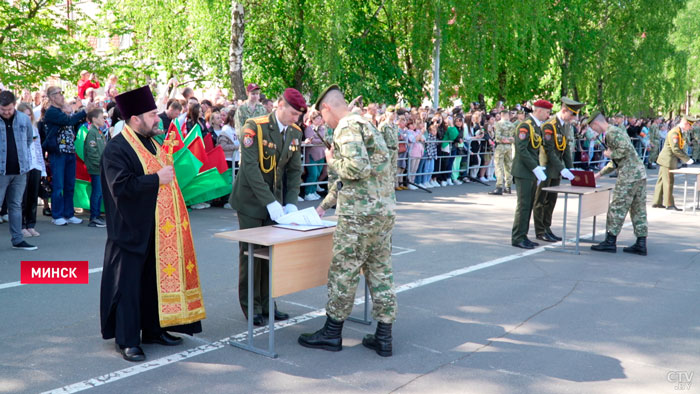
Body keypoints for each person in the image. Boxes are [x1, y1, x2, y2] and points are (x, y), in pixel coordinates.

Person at [100, 86, 205, 362]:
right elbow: (119, 187)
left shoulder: (152, 142)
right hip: (129, 230)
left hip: (158, 228)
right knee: (129, 286)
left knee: (152, 282)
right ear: (134, 119)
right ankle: (127, 340)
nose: (157, 118)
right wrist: (156, 179)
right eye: (150, 114)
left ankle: (154, 330)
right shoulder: (117, 148)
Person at [298, 85, 397, 357]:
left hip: (358, 216)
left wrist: (332, 161)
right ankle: (384, 336)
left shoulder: (346, 126)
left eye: (322, 115)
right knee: (381, 272)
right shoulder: (366, 124)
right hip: (382, 212)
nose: (324, 122)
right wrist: (325, 205)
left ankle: (332, 333)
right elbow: (368, 172)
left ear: (327, 108)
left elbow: (355, 168)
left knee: (344, 271)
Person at [228, 88, 306, 326]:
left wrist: (291, 202)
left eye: (298, 115)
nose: (296, 119)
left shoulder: (295, 133)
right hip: (252, 201)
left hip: (277, 204)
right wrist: (270, 202)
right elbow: (250, 168)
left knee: (270, 255)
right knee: (251, 255)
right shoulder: (255, 126)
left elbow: (293, 172)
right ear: (279, 105)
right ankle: (251, 306)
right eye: (292, 113)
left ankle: (267, 303)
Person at [585, 111, 648, 255]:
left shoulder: (610, 133)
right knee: (638, 209)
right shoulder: (618, 131)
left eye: (593, 127)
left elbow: (623, 151)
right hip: (639, 174)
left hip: (628, 175)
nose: (594, 131)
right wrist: (600, 174)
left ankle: (610, 241)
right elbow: (617, 161)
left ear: (596, 123)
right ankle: (641, 242)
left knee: (617, 207)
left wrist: (609, 154)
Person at [533, 97, 584, 242]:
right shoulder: (550, 125)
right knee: (541, 200)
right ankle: (540, 230)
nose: (574, 118)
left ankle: (547, 227)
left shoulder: (565, 125)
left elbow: (566, 148)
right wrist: (562, 169)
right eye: (572, 114)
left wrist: (570, 168)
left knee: (552, 200)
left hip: (557, 168)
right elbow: (549, 151)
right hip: (547, 167)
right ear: (564, 111)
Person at [43, 86, 92, 226]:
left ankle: (69, 213)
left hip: (69, 151)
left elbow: (72, 122)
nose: (62, 96)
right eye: (59, 93)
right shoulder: (52, 112)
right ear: (52, 97)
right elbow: (68, 121)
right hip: (58, 152)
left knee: (70, 184)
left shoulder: (62, 110)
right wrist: (84, 111)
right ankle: (57, 215)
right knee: (58, 185)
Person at [511, 99, 552, 249]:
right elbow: (522, 150)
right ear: (539, 110)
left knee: (528, 205)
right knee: (524, 205)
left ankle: (523, 235)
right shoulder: (525, 126)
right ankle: (517, 237)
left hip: (531, 171)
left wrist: (538, 168)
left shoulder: (536, 126)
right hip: (524, 171)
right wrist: (535, 168)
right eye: (547, 112)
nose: (548, 115)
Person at [0, 92, 37, 250]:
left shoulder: (23, 119)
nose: (6, 112)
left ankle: (17, 239)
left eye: (8, 109)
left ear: (14, 105)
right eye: (2, 109)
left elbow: (29, 139)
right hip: (1, 172)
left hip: (20, 170)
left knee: (15, 205)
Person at [652, 115, 696, 210]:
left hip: (667, 159)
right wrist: (687, 159)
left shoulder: (680, 132)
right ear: (685, 124)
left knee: (661, 181)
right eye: (690, 125)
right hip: (668, 160)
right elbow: (675, 149)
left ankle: (657, 202)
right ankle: (669, 204)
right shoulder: (675, 133)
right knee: (668, 182)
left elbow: (679, 147)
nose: (691, 128)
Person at [16, 103, 45, 238]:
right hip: (23, 166)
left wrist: (42, 167)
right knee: (23, 197)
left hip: (35, 165)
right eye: (25, 115)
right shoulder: (17, 128)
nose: (28, 117)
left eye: (29, 115)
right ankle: (21, 226)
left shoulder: (34, 128)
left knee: (33, 197)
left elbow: (38, 148)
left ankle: (30, 224)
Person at [84, 109, 107, 227]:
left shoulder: (99, 132)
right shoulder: (92, 133)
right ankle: (94, 217)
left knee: (100, 192)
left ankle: (97, 215)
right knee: (97, 192)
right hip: (96, 168)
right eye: (102, 117)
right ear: (94, 119)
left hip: (101, 168)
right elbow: (92, 152)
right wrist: (100, 164)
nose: (104, 119)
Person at [489, 109, 515, 195]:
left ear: (501, 115)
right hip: (509, 147)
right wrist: (509, 140)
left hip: (500, 146)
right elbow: (513, 138)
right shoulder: (512, 125)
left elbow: (498, 137)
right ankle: (508, 186)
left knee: (499, 166)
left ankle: (499, 186)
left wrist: (505, 140)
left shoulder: (498, 124)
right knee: (508, 166)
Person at [302, 110, 327, 201]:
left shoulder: (323, 128)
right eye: (317, 118)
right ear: (312, 119)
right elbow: (310, 139)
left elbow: (325, 138)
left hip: (321, 154)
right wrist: (320, 141)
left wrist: (319, 140)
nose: (319, 120)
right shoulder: (309, 128)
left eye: (320, 118)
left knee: (317, 174)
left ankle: (313, 191)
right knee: (313, 173)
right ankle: (308, 192)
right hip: (311, 154)